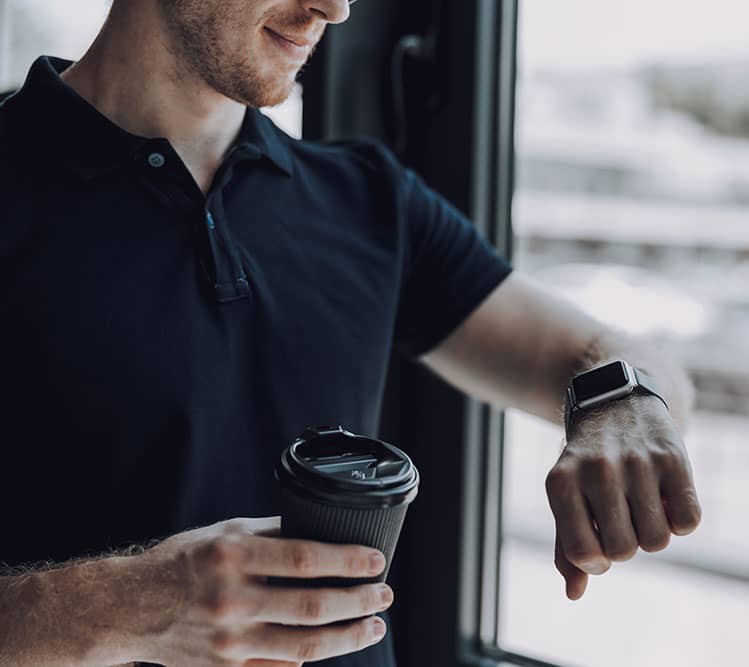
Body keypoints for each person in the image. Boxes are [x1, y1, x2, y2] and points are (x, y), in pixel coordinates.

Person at [0, 0, 701, 665]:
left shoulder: (370, 201)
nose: (334, 8)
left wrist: (624, 405)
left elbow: (619, 358)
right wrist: (127, 605)